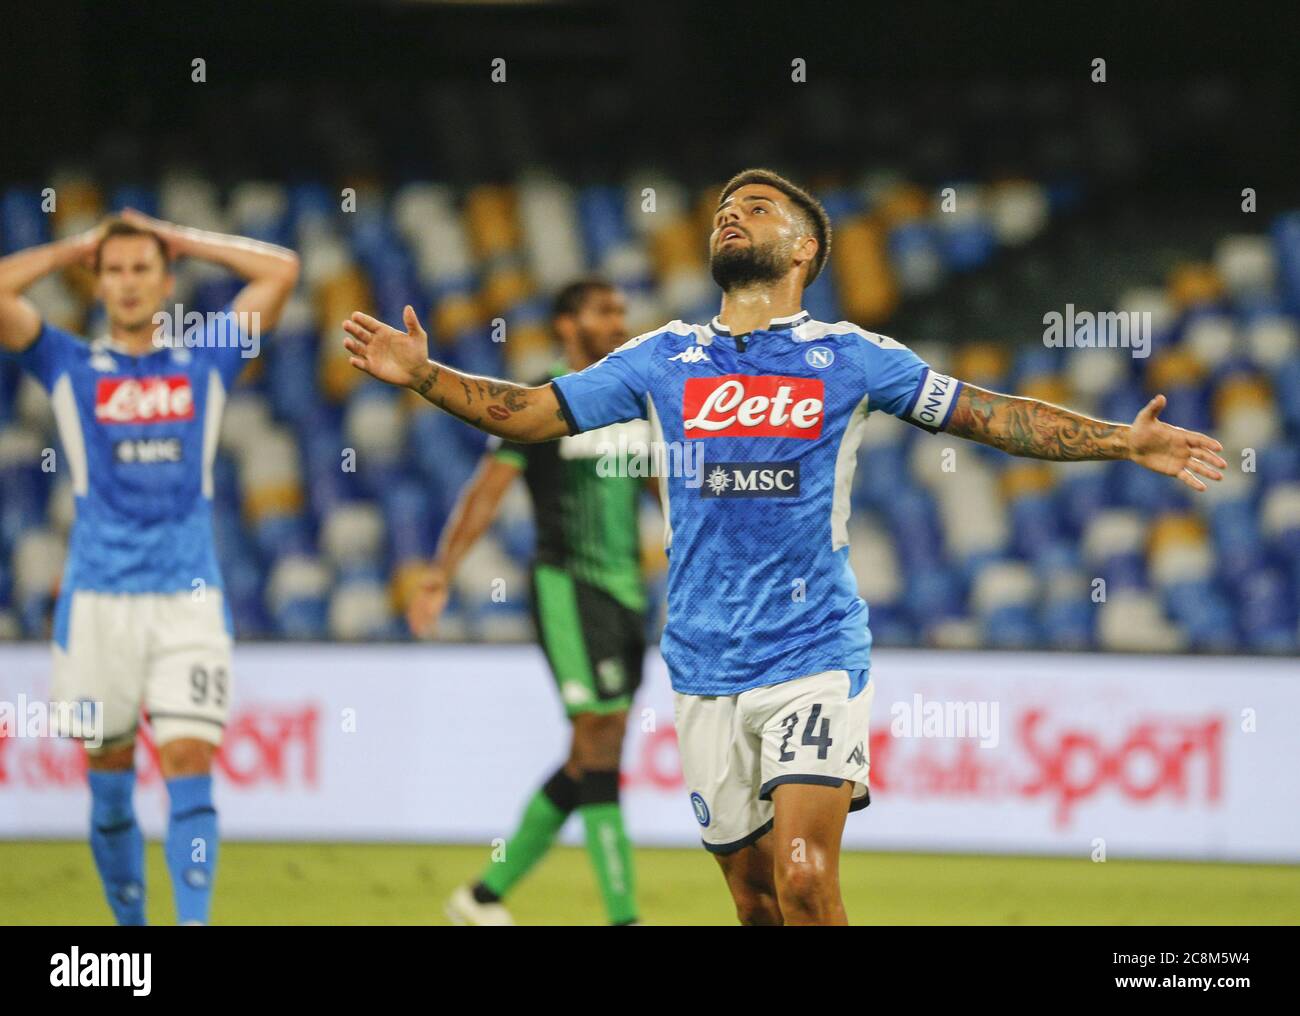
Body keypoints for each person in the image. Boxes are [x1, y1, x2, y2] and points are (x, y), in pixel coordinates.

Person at [341, 168, 1225, 925]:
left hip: (812, 651)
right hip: (701, 664)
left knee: (806, 880)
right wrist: (424, 374)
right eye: (728, 206)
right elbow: (532, 413)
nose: (733, 213)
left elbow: (989, 415)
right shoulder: (662, 358)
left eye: (759, 207)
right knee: (759, 901)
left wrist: (1123, 439)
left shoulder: (851, 356)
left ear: (805, 249)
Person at [0, 210, 299, 924]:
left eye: (143, 269)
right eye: (114, 270)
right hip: (98, 601)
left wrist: (182, 238)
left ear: (167, 283)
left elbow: (280, 269)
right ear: (97, 284)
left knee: (190, 762)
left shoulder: (206, 357)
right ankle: (132, 937)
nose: (129, 283)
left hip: (187, 600)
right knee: (108, 782)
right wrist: (75, 245)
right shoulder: (68, 362)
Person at [409, 279, 648, 926]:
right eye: (605, 311)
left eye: (622, 310)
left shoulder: (634, 404)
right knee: (597, 739)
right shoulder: (543, 402)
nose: (619, 321)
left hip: (629, 598)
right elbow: (486, 492)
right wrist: (439, 573)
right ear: (567, 325)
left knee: (595, 750)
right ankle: (624, 916)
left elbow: (670, 490)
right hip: (569, 589)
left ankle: (483, 896)